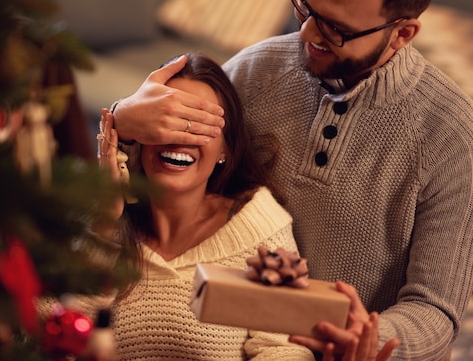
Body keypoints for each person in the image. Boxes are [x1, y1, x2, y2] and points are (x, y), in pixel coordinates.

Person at [107, 0, 473, 359]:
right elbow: (173, 154)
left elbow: (436, 310)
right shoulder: (254, 71)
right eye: (306, 5)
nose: (306, 34)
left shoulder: (453, 137)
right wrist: (121, 117)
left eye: (336, 29)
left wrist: (365, 336)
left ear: (402, 33)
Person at [90, 53, 397, 360]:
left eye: (200, 126)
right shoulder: (98, 220)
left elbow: (282, 349)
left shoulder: (259, 228)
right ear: (141, 136)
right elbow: (53, 330)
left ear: (225, 148)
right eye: (169, 122)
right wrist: (104, 221)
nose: (180, 138)